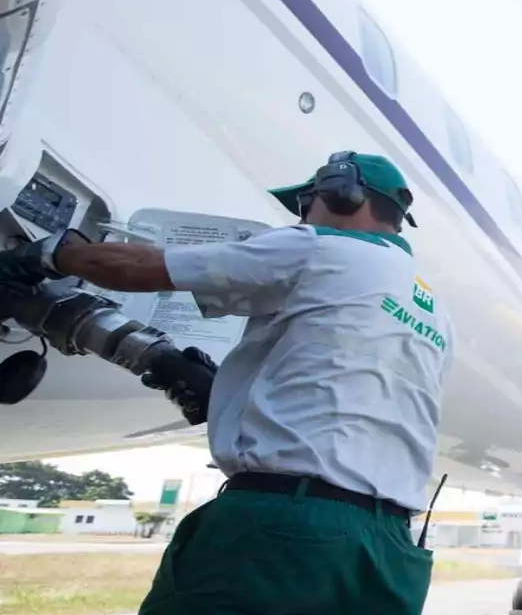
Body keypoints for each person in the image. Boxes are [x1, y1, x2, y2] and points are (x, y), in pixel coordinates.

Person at [0, 151, 453, 614]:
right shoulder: (433, 308)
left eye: (306, 203)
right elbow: (346, 388)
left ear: (343, 193)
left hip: (287, 530)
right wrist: (230, 398)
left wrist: (52, 252)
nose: (302, 217)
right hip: (390, 550)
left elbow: (135, 268)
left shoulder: (321, 247)